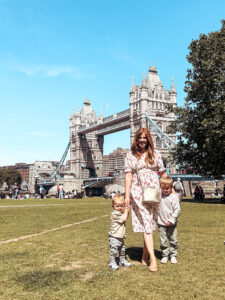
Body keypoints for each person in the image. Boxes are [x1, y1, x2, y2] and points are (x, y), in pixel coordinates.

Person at [124, 127, 167, 272]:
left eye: (144, 138)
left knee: (148, 222)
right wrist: (126, 195)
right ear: (136, 139)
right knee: (147, 223)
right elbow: (128, 175)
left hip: (154, 192)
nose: (142, 140)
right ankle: (153, 260)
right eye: (139, 138)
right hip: (138, 191)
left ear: (148, 140)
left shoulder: (156, 154)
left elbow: (162, 173)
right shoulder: (130, 155)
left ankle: (144, 255)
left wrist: (171, 191)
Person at [158, 176, 180, 264]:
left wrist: (172, 220)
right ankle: (165, 255)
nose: (166, 190)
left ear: (171, 188)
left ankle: (173, 255)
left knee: (173, 239)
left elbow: (177, 210)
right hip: (161, 222)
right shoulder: (159, 197)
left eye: (168, 188)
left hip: (171, 223)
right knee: (163, 240)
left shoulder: (174, 197)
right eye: (164, 189)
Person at [108, 194, 131, 270]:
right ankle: (112, 262)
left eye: (121, 206)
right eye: (117, 206)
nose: (119, 208)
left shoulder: (120, 213)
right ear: (113, 206)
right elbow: (124, 219)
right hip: (114, 236)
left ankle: (122, 261)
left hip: (120, 236)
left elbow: (126, 217)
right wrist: (126, 211)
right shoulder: (115, 214)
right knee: (114, 251)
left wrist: (127, 211)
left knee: (122, 250)